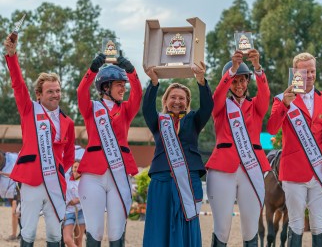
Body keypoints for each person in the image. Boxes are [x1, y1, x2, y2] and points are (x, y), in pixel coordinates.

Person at [267, 52, 322, 246]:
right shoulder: (282, 98)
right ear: (294, 73)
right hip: (293, 172)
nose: (309, 76)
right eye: (304, 72)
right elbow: (271, 128)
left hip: (321, 172)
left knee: (318, 225)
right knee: (296, 224)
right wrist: (285, 105)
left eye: (312, 71)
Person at [4, 35, 75, 247]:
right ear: (39, 94)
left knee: (55, 234)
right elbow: (17, 83)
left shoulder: (68, 122)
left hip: (55, 183)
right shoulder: (29, 110)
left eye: (58, 90)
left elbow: (69, 155)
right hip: (31, 180)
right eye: (50, 91)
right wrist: (11, 55)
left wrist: (63, 175)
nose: (55, 95)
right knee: (29, 231)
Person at [142, 62, 213, 247]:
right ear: (165, 101)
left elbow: (207, 107)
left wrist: (201, 80)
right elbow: (147, 108)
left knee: (186, 223)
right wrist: (154, 82)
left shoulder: (194, 120)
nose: (177, 101)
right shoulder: (158, 121)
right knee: (160, 225)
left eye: (182, 98)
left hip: (187, 180)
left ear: (187, 103)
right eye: (173, 97)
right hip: (162, 179)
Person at [206, 49, 271, 247]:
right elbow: (216, 96)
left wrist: (258, 68)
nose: (239, 85)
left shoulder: (256, 106)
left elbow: (266, 93)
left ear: (248, 81)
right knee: (222, 228)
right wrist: (231, 71)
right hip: (222, 169)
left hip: (251, 167)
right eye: (235, 81)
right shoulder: (221, 106)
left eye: (242, 80)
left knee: (251, 227)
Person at [77, 52, 142, 246]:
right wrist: (92, 69)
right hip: (93, 176)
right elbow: (81, 91)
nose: (124, 89)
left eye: (124, 85)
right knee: (95, 230)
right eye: (119, 85)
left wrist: (131, 70)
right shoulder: (91, 108)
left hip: (119, 174)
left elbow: (138, 93)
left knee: (116, 231)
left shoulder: (126, 109)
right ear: (106, 87)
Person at [63, 160, 86, 247]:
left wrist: (79, 200)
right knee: (67, 239)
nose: (76, 169)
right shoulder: (66, 179)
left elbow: (90, 195)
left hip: (81, 212)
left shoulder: (85, 181)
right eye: (75, 167)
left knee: (78, 241)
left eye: (78, 167)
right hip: (68, 212)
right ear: (72, 168)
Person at [0, 151, 20, 241]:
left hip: (17, 188)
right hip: (10, 187)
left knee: (16, 211)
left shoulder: (13, 159)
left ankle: (15, 234)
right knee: (15, 211)